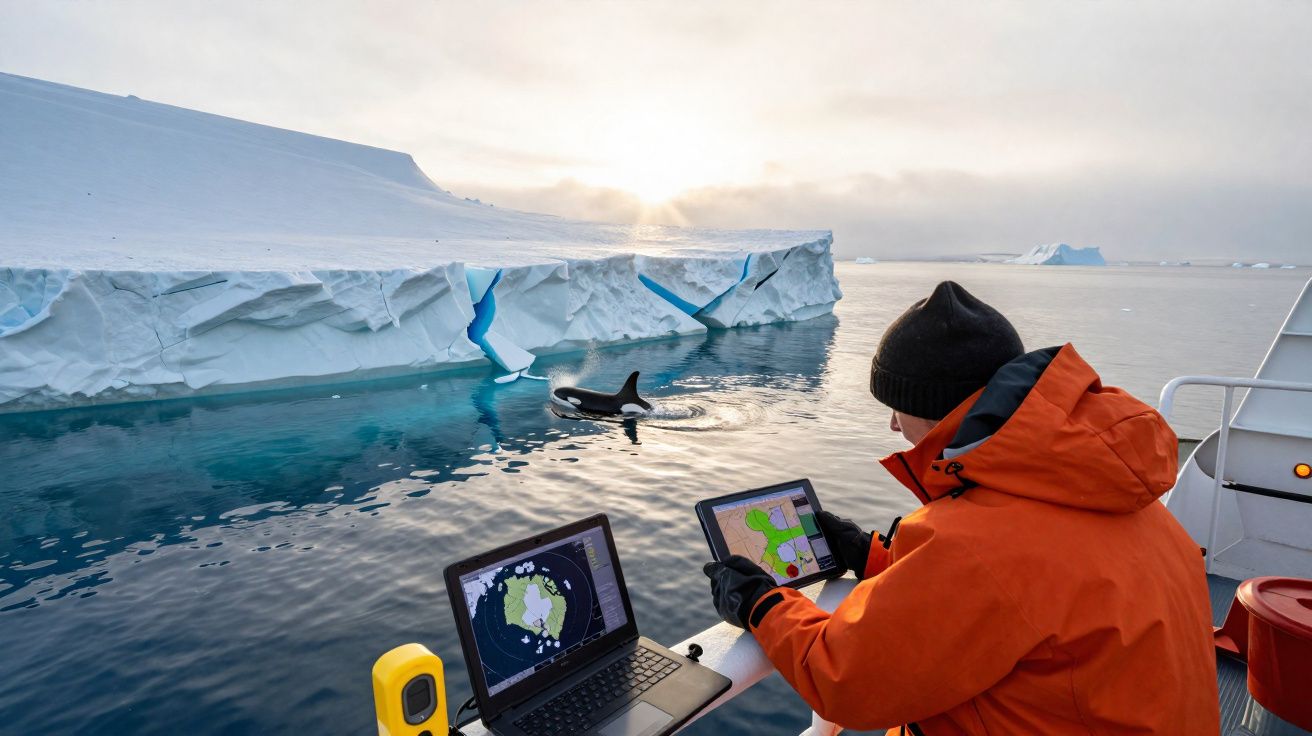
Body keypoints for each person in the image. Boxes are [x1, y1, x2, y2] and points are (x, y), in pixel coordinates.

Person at [704, 281, 1219, 735]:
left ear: (937, 409)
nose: (891, 427)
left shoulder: (979, 544)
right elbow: (1021, 597)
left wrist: (760, 605)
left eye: (896, 407)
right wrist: (875, 557)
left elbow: (849, 681)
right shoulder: (1109, 490)